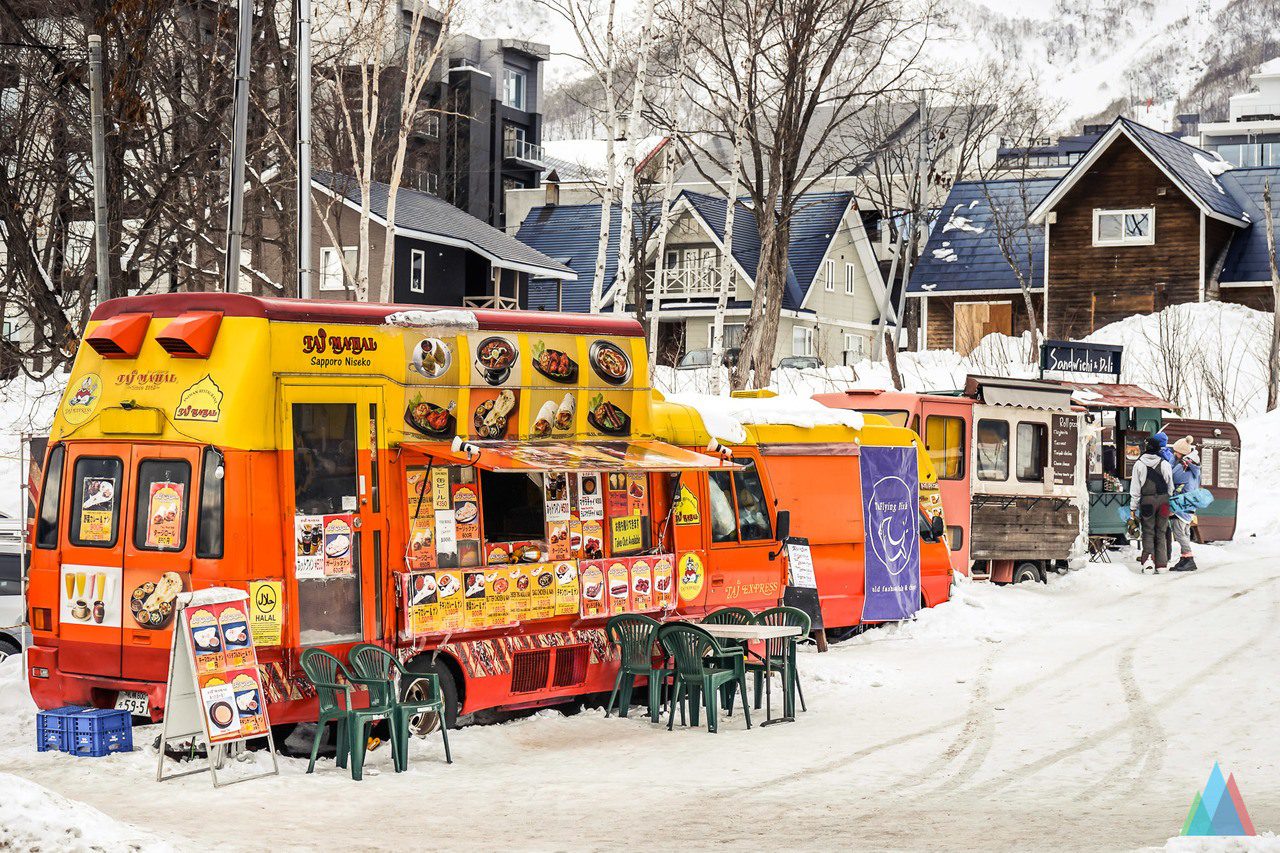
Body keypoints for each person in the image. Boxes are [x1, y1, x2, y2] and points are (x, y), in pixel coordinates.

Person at [1129, 436, 1174, 573]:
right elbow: (1170, 486)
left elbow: (1135, 489)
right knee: (1161, 531)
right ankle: (1161, 565)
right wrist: (1167, 499)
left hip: (1146, 501)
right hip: (1164, 501)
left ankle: (1149, 562)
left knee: (1148, 531)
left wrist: (1133, 507)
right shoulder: (1165, 464)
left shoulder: (1139, 464)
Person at [1169, 436, 1201, 572]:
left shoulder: (1183, 467)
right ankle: (1184, 559)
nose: (1174, 454)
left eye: (1175, 452)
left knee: (1179, 532)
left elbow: (1169, 476)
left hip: (1181, 505)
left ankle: (1189, 559)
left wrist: (1171, 462)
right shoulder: (1193, 467)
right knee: (1184, 532)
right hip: (1189, 504)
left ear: (1181, 452)